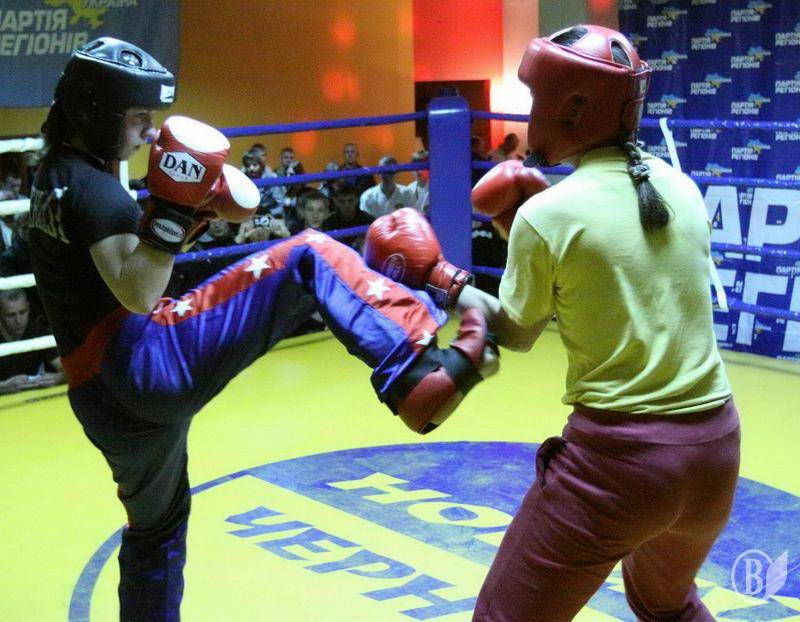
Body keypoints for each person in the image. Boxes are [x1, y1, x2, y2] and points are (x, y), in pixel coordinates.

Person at [29, 37, 496, 622]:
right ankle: (414, 376)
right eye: (138, 117)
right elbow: (139, 292)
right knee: (308, 255)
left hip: (99, 400)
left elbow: (105, 271)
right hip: (145, 361)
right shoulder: (97, 190)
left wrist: (191, 212)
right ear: (97, 112)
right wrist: (174, 211)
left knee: (156, 529)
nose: (150, 131)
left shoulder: (53, 178)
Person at [370, 25, 740, 622]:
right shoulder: (680, 185)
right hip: (715, 451)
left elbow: (517, 333)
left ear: (572, 108)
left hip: (621, 465)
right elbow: (618, 278)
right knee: (667, 607)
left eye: (537, 97)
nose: (530, 112)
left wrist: (441, 277)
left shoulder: (548, 213)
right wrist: (520, 233)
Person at [0, 288, 64, 394]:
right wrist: (3, 387)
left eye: (22, 312)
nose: (18, 320)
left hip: (32, 398)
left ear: (28, 308)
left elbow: (67, 368)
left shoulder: (38, 332)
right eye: (11, 315)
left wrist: (58, 377)